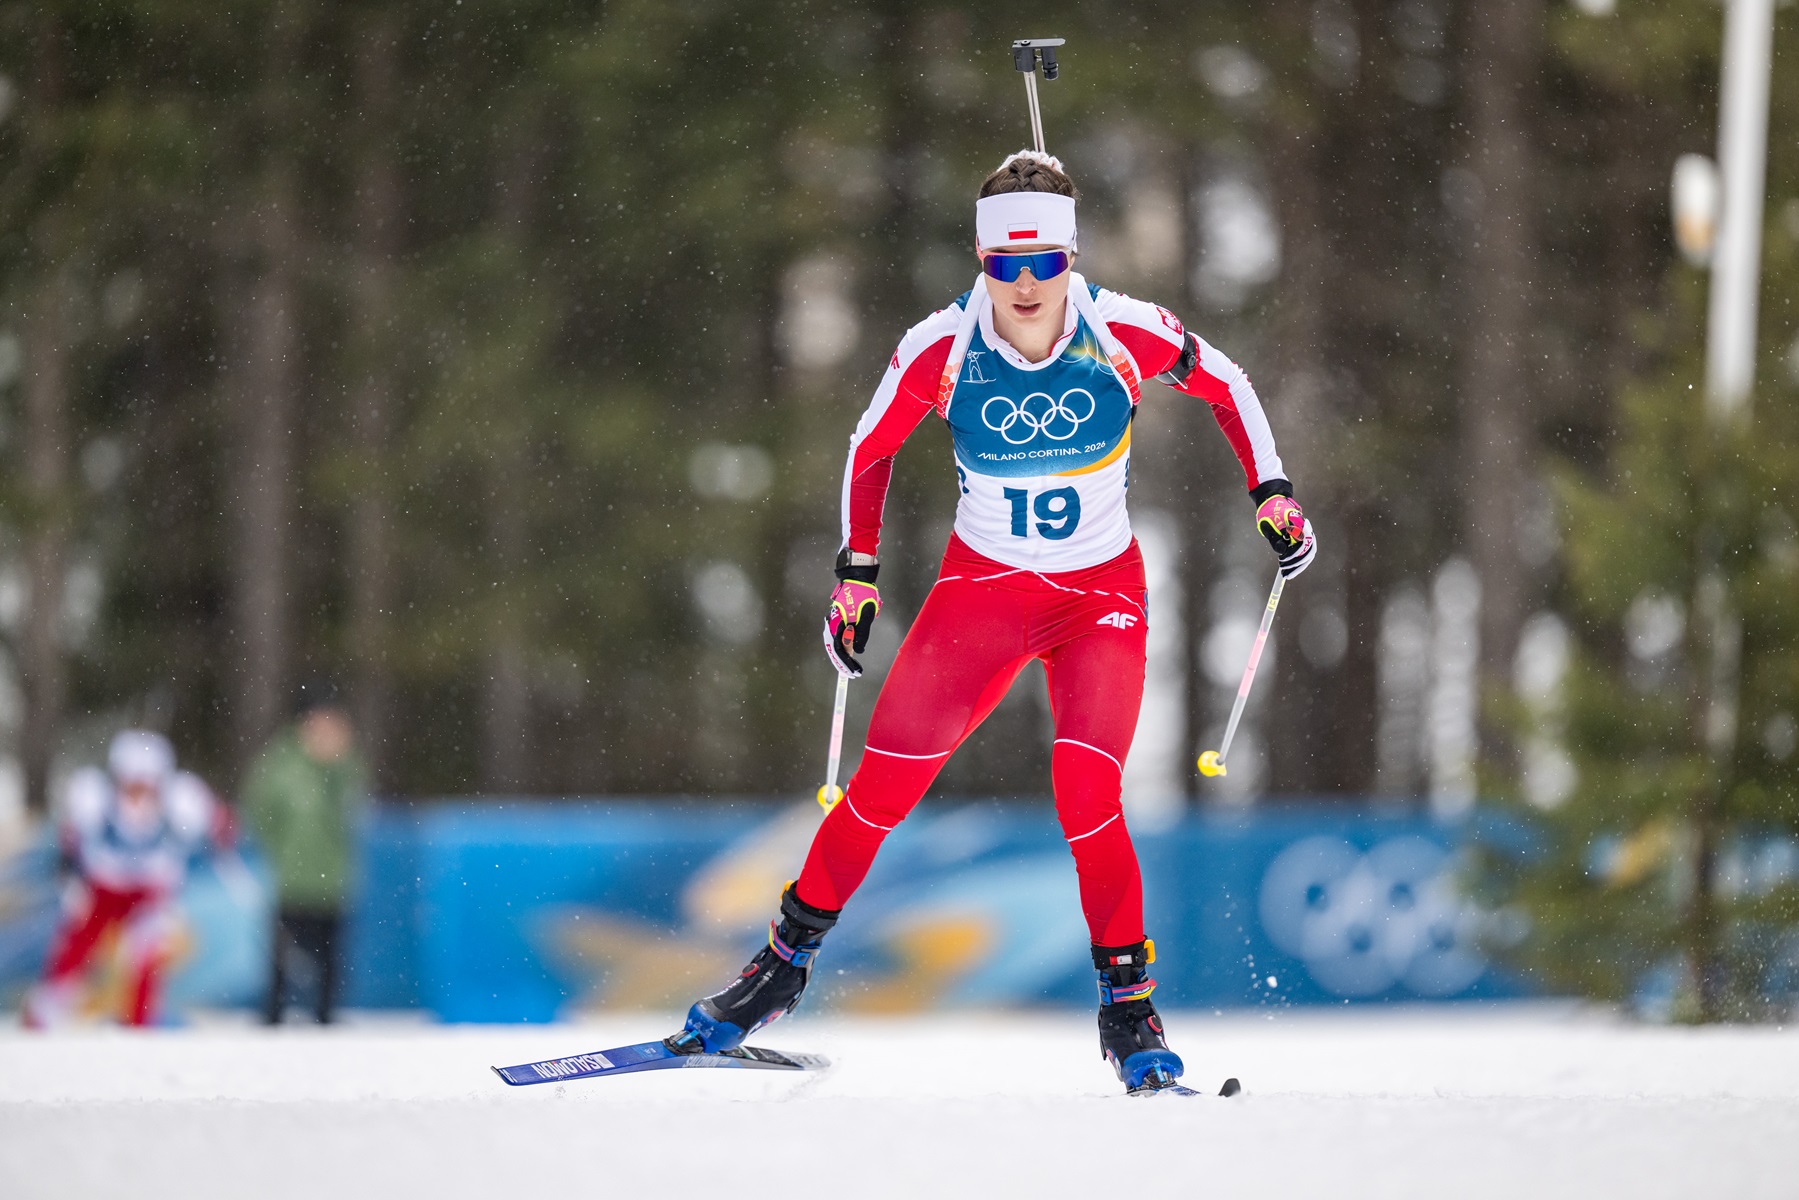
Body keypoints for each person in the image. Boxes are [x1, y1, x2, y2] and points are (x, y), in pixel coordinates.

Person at [669, 151, 1317, 1091]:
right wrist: (856, 577)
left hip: (1101, 598)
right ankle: (776, 971)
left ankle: (1129, 1014)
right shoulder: (940, 344)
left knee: (1085, 791)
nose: (1022, 284)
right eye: (1001, 265)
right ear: (979, 259)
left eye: (1042, 264)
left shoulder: (1123, 329)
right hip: (983, 592)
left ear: (1070, 259)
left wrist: (1272, 491)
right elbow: (868, 445)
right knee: (882, 788)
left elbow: (1229, 384)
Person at [24, 730, 225, 1028]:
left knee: (146, 952)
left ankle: (139, 1021)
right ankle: (45, 1012)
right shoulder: (97, 801)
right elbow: (71, 837)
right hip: (105, 889)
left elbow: (212, 826)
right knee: (77, 946)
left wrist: (218, 827)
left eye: (148, 788)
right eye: (132, 787)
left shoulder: (178, 804)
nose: (140, 797)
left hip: (150, 893)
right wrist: (69, 864)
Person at [243, 681, 367, 1024]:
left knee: (330, 956)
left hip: (332, 879)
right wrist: (281, 854)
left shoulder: (346, 766)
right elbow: (261, 812)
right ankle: (274, 1014)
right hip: (291, 878)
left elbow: (349, 815)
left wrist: (334, 770)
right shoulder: (281, 763)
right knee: (281, 953)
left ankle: (325, 1016)